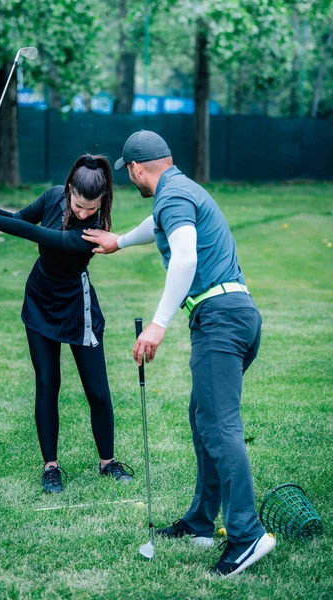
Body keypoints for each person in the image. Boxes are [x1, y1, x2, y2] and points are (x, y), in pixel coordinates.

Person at [81, 131, 276, 576]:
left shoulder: (170, 196)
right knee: (203, 416)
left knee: (218, 423)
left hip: (219, 320)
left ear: (135, 169)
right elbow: (159, 227)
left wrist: (158, 322)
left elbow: (184, 258)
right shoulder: (181, 189)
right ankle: (202, 522)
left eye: (128, 175)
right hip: (237, 314)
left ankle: (246, 535)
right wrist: (120, 241)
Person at [0, 154, 134, 493]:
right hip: (40, 299)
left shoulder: (92, 230)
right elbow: (18, 220)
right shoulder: (53, 196)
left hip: (76, 305)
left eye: (91, 207)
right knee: (47, 383)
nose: (84, 213)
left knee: (97, 390)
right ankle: (50, 466)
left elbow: (30, 233)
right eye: (79, 205)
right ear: (68, 190)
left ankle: (107, 462)